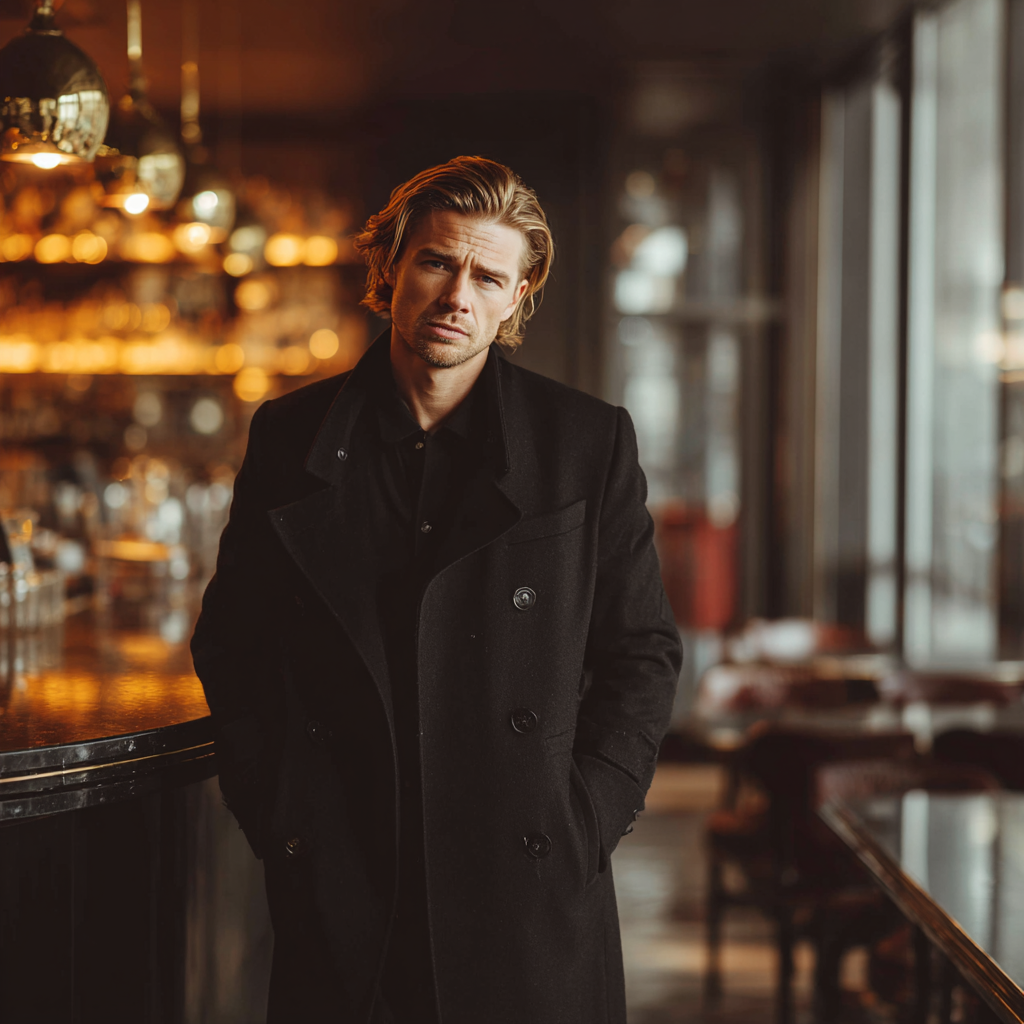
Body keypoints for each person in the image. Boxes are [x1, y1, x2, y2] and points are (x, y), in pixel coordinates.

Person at [191, 155, 682, 1024]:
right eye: (436, 262)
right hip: (345, 860)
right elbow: (234, 637)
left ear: (517, 297)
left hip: (522, 869)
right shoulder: (291, 435)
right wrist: (276, 809)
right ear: (389, 270)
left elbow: (640, 650)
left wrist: (587, 815)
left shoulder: (584, 442)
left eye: (488, 276)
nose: (458, 294)